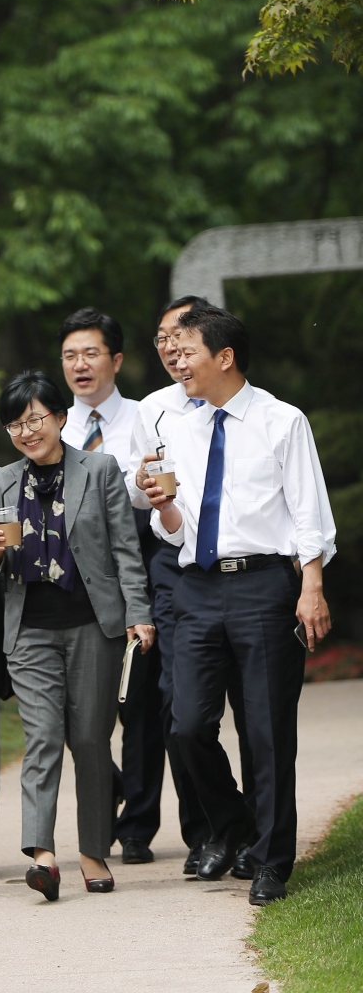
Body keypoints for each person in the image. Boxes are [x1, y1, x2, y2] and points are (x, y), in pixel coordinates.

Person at [142, 304, 336, 905]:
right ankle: (237, 827)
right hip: (196, 586)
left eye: (188, 350)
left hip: (265, 587)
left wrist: (311, 587)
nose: (177, 360)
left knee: (267, 731)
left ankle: (272, 862)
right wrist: (163, 506)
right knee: (187, 724)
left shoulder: (282, 421)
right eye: (170, 349)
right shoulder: (176, 424)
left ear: (224, 356)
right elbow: (173, 529)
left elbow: (309, 513)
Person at [0, 370, 153, 901]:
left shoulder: (99, 470)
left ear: (59, 417)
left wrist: (138, 613)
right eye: (15, 425)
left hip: (92, 627)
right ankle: (42, 855)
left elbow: (126, 549)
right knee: (42, 738)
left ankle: (93, 851)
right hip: (28, 629)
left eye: (34, 419)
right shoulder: (0, 482)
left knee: (91, 742)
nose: (27, 432)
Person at [128, 294, 257, 879]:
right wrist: (143, 483)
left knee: (253, 711)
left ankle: (259, 831)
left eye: (180, 334)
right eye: (161, 337)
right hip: (176, 566)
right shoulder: (154, 409)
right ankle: (212, 831)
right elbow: (139, 492)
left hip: (245, 573)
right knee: (183, 711)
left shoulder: (251, 409)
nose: (170, 348)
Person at [58, 308, 156, 865]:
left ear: (115, 359)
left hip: (138, 563)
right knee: (77, 705)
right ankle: (110, 780)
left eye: (91, 353)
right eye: (70, 355)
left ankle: (138, 825)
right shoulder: (55, 425)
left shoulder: (148, 418)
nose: (80, 365)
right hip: (73, 579)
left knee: (139, 704)